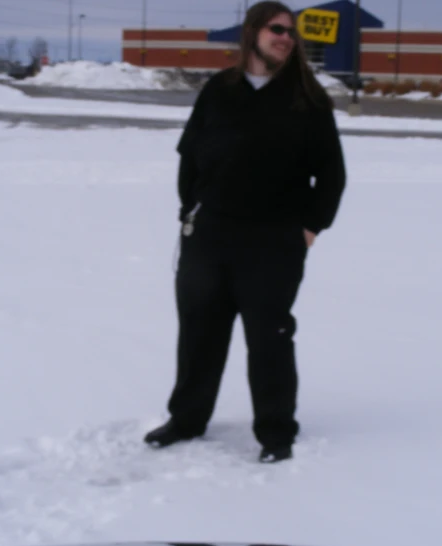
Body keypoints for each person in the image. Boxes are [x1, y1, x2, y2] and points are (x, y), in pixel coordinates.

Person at [144, 0, 347, 463]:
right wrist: (189, 213)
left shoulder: (308, 99)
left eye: (292, 32)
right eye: (277, 28)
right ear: (253, 31)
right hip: (209, 234)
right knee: (199, 333)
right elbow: (189, 157)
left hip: (273, 240)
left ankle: (276, 433)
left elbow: (332, 176)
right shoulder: (220, 89)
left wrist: (311, 228)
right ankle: (188, 418)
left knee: (269, 337)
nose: (286, 38)